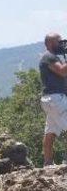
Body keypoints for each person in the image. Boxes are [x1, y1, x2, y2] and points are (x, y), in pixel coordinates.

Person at [39, 33, 67, 166]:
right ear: (50, 43)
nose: (61, 44)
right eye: (59, 41)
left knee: (51, 131)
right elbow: (62, 71)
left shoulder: (52, 57)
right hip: (55, 99)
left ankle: (48, 162)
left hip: (51, 100)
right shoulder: (48, 56)